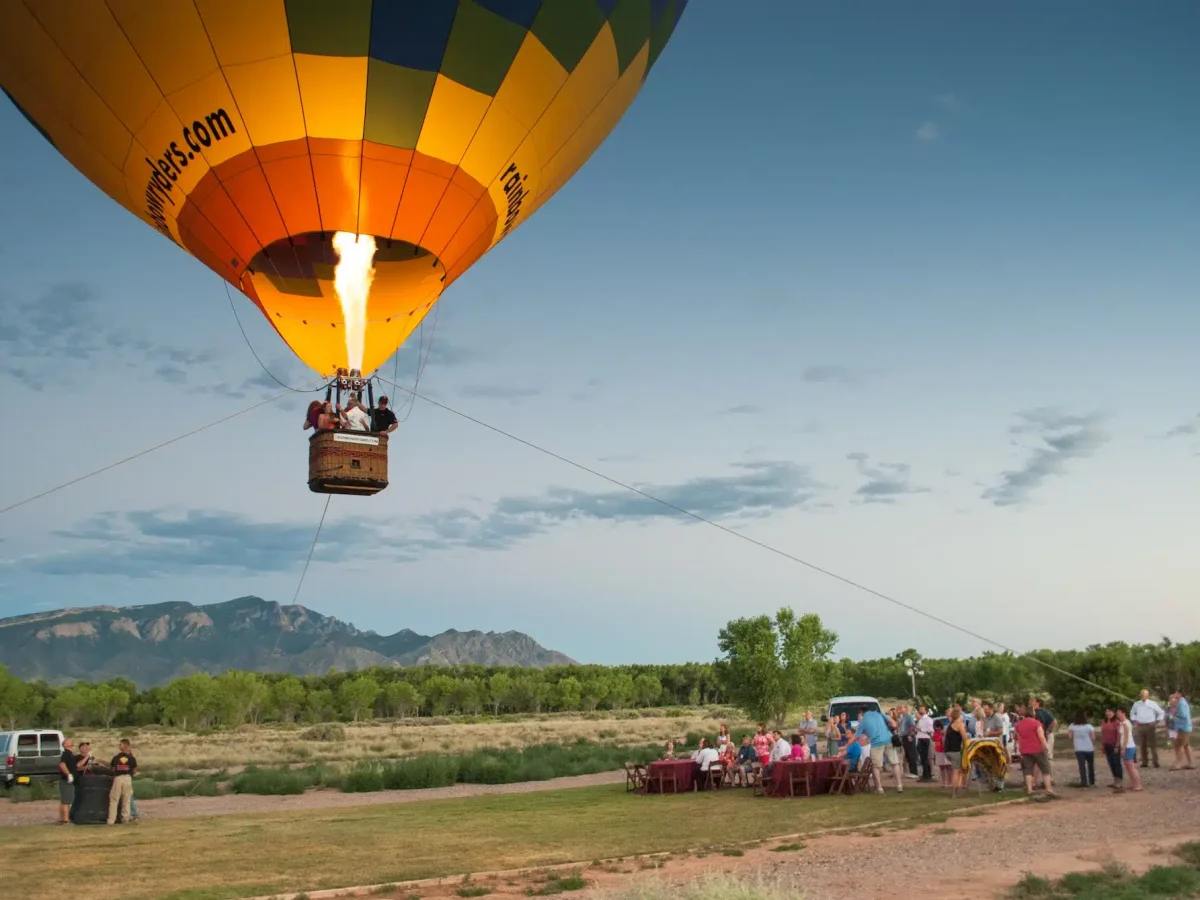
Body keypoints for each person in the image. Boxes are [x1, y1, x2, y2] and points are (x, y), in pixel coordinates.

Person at [856, 705, 901, 794]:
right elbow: (894, 724)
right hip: (888, 739)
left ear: (861, 712)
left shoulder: (863, 721)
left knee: (876, 766)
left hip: (876, 743)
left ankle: (879, 788)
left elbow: (857, 736)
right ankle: (899, 785)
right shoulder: (879, 714)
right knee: (895, 763)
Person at [1014, 708, 1056, 796]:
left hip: (1025, 750)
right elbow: (1041, 737)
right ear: (1033, 715)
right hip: (1038, 749)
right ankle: (1049, 789)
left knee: (1028, 770)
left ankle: (1030, 789)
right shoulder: (1037, 723)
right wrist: (1047, 747)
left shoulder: (1019, 724)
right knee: (1045, 770)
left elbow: (1016, 736)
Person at [1129, 689, 1164, 769]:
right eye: (1142, 695)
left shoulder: (1152, 704)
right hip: (1140, 726)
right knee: (1142, 745)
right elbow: (1132, 713)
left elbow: (1161, 712)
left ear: (1148, 696)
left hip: (1150, 725)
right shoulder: (1136, 704)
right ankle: (1145, 762)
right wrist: (1135, 720)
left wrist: (1157, 721)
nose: (1143, 696)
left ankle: (1155, 762)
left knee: (1152, 745)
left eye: (1145, 695)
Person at [107, 739, 137, 825]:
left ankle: (111, 820)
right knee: (126, 800)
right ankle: (125, 819)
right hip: (128, 778)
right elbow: (134, 770)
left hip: (118, 778)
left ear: (124, 745)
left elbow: (111, 768)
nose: (119, 746)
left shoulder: (116, 757)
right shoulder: (132, 758)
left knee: (114, 799)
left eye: (120, 744)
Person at [981, 701, 1007, 792]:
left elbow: (1001, 731)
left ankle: (1000, 785)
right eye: (984, 709)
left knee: (999, 763)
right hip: (988, 745)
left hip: (996, 744)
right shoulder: (985, 718)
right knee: (990, 764)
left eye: (986, 709)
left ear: (991, 709)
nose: (985, 711)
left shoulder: (997, 718)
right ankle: (992, 784)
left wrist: (990, 733)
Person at [1116, 708, 1143, 791]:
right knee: (1128, 766)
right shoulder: (1123, 723)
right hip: (1128, 746)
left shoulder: (1125, 723)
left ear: (1124, 713)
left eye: (1119, 713)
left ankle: (1138, 784)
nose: (1118, 715)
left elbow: (1126, 737)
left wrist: (1123, 748)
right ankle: (1133, 783)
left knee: (1130, 766)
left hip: (1128, 746)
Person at [1067, 712, 1096, 787]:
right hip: (1089, 748)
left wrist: (1075, 739)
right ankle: (1092, 781)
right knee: (1091, 765)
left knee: (1082, 766)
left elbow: (1070, 737)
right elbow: (1093, 737)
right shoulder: (1089, 726)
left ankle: (1084, 782)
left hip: (1079, 748)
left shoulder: (1072, 726)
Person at [1100, 707, 1123, 790]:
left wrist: (1117, 746)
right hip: (1107, 745)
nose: (1108, 713)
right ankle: (1115, 780)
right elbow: (1103, 734)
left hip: (1114, 745)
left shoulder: (1116, 722)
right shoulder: (1104, 722)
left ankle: (1119, 781)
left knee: (1116, 763)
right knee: (1110, 763)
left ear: (1113, 713)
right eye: (1107, 711)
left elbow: (1119, 734)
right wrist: (1102, 745)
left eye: (1110, 711)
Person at [1170, 691, 1193, 770]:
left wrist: (1174, 714)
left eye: (1176, 693)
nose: (1175, 695)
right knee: (1186, 745)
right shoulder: (1182, 702)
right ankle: (1191, 763)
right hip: (1186, 727)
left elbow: (1183, 715)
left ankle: (1178, 764)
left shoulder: (1181, 703)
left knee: (1180, 745)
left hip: (1183, 728)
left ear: (1180, 694)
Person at [57, 737, 77, 825]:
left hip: (67, 780)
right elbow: (62, 765)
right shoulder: (66, 754)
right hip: (66, 780)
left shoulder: (70, 754)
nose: (70, 741)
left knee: (64, 800)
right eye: (68, 741)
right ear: (65, 745)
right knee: (66, 801)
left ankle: (62, 819)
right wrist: (68, 774)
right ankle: (66, 820)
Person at [915, 705, 935, 782]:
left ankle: (928, 774)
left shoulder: (928, 719)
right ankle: (924, 774)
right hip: (920, 738)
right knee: (922, 758)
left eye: (922, 708)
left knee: (925, 757)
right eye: (920, 708)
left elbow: (930, 730)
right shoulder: (920, 720)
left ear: (925, 710)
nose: (920, 709)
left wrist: (920, 729)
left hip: (925, 739)